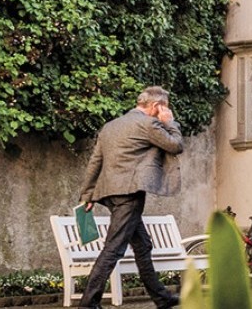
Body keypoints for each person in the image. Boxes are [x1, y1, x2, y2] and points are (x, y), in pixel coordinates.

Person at [75, 86, 184, 309]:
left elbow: (95, 161)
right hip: (129, 194)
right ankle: (88, 303)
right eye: (165, 107)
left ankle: (162, 298)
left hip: (109, 193)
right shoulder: (148, 124)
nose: (166, 110)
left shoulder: (110, 126)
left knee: (143, 245)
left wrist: (87, 195)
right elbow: (175, 145)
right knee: (113, 248)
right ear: (157, 106)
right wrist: (170, 122)